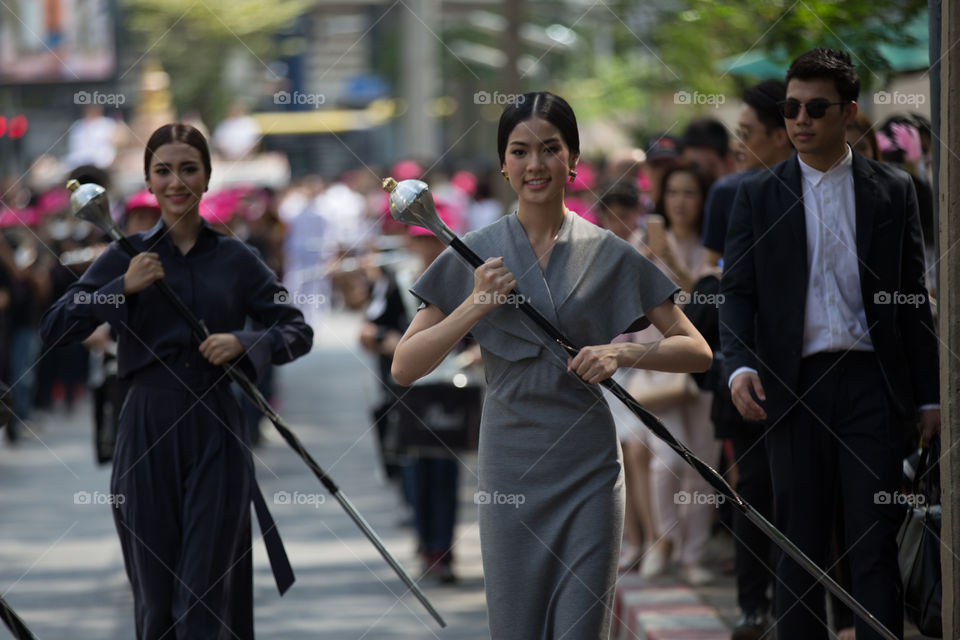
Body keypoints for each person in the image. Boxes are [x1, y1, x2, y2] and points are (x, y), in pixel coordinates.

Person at [391, 92, 712, 639]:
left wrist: (623, 352)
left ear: (574, 159)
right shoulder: (473, 251)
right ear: (502, 163)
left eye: (550, 149)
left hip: (588, 467)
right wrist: (475, 304)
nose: (534, 164)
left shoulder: (609, 251)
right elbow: (405, 366)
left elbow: (697, 350)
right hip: (509, 467)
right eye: (519, 151)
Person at [40, 123, 313, 639]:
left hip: (216, 427)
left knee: (205, 597)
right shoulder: (124, 255)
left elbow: (296, 328)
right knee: (156, 601)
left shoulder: (237, 258)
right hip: (145, 427)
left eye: (189, 169)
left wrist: (245, 342)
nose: (176, 181)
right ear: (147, 179)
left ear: (208, 178)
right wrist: (119, 288)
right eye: (163, 170)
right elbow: (55, 327)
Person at [719, 48, 940, 640]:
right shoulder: (757, 196)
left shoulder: (892, 191)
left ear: (848, 112)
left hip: (872, 387)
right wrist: (738, 366)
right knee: (800, 549)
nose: (800, 120)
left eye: (817, 108)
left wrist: (929, 398)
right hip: (792, 389)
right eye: (791, 107)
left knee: (872, 547)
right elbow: (735, 292)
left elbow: (912, 299)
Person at [699, 79, 792, 640]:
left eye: (749, 133)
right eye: (737, 133)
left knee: (807, 492)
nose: (740, 143)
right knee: (753, 487)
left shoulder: (818, 188)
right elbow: (719, 280)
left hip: (809, 368)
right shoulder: (728, 193)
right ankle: (753, 605)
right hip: (746, 363)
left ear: (780, 135)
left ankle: (809, 605)